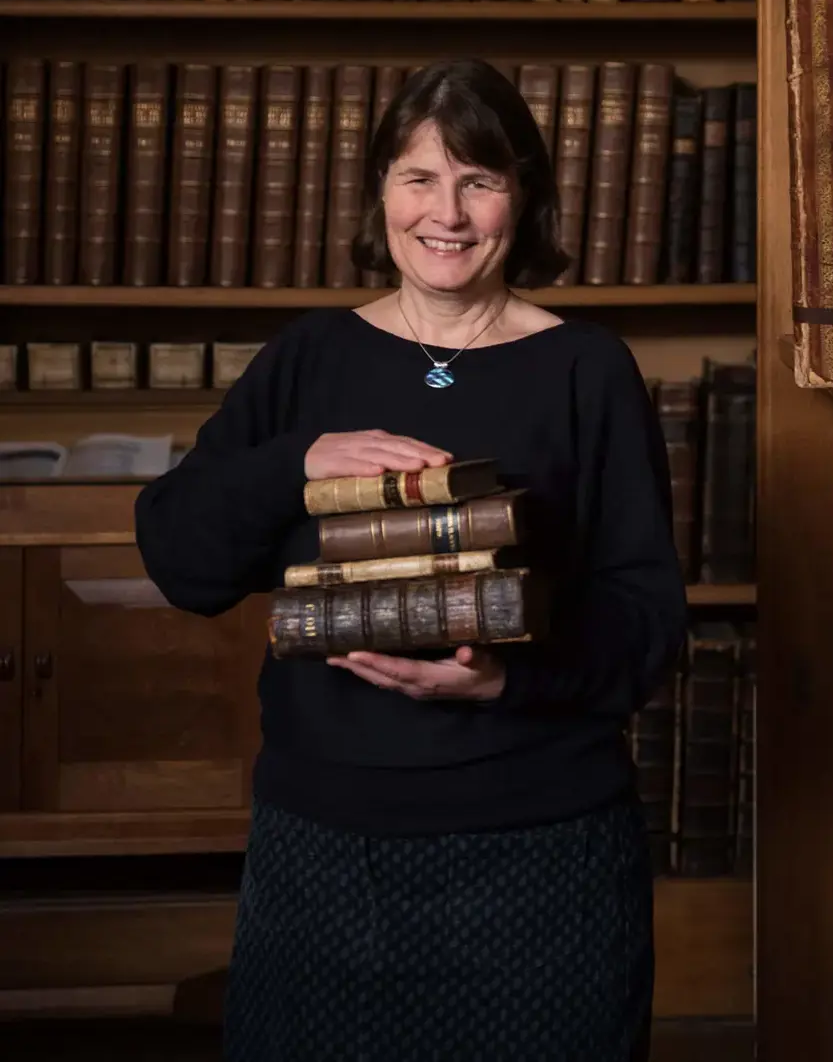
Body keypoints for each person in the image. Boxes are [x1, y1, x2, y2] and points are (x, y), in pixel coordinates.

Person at [134, 56, 687, 1062]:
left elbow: (648, 617)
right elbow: (182, 559)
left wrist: (501, 678)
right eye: (418, 177)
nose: (449, 211)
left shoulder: (586, 366)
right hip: (323, 849)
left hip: (542, 850)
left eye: (479, 178)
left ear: (523, 197)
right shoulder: (308, 358)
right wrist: (297, 464)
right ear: (377, 192)